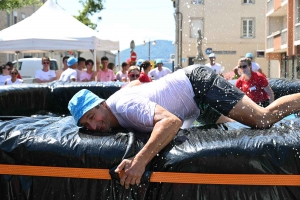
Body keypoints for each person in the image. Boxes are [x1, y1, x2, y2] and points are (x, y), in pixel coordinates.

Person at [68, 64, 300, 189]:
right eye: (86, 125)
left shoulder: (125, 107)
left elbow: (171, 122)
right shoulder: (115, 105)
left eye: (92, 116)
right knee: (237, 126)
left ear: (100, 104)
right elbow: (136, 83)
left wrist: (139, 162)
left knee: (261, 118)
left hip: (198, 84)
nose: (94, 126)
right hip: (190, 100)